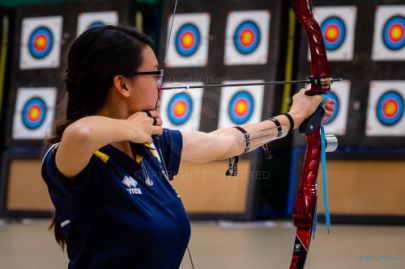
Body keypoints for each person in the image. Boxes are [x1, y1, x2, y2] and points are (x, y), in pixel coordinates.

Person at [42, 25, 335, 269]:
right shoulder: (73, 158)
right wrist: (133, 128)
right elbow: (80, 133)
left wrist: (294, 117)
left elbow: (228, 141)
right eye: (154, 74)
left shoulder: (152, 146)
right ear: (123, 85)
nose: (160, 84)